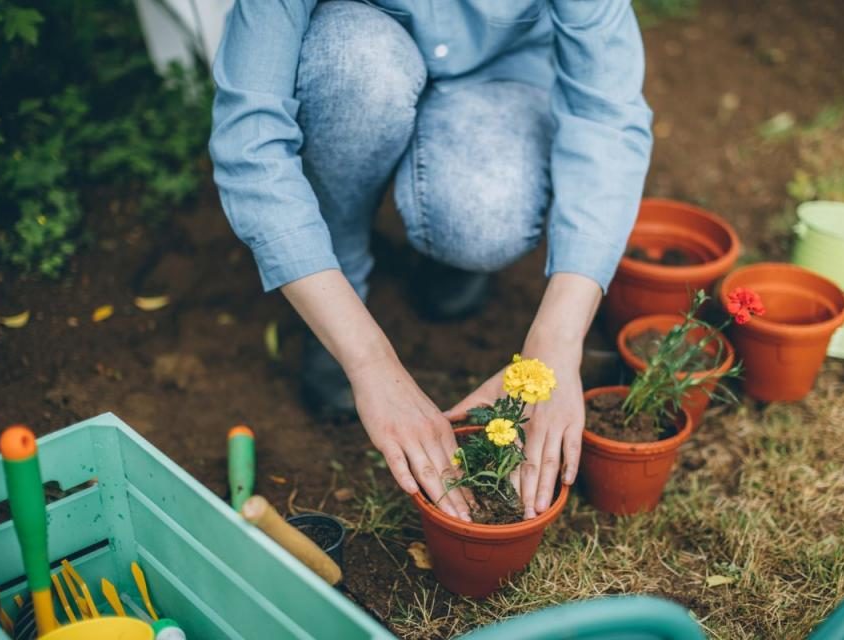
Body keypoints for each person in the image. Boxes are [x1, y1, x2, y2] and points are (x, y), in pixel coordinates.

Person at [209, 0, 653, 522]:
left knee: (483, 216)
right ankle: (339, 282)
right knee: (356, 63)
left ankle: (452, 248)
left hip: (498, 74)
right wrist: (368, 360)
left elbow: (607, 117)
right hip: (363, 58)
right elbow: (251, 145)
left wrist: (557, 342)